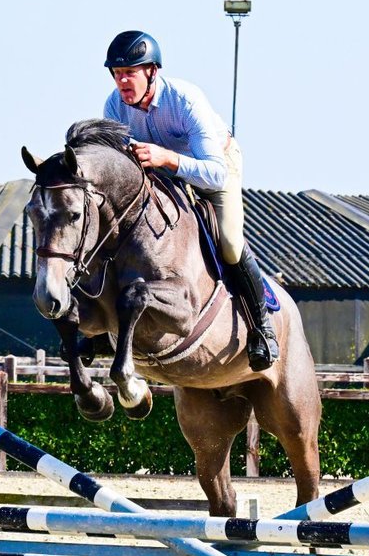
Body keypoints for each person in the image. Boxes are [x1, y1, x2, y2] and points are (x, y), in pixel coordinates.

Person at [102, 29, 279, 371]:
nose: (122, 82)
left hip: (216, 168)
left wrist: (167, 159)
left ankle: (262, 328)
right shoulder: (114, 105)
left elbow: (214, 173)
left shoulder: (185, 100)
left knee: (228, 243)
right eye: (118, 74)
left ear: (152, 72)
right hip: (161, 174)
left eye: (130, 74)